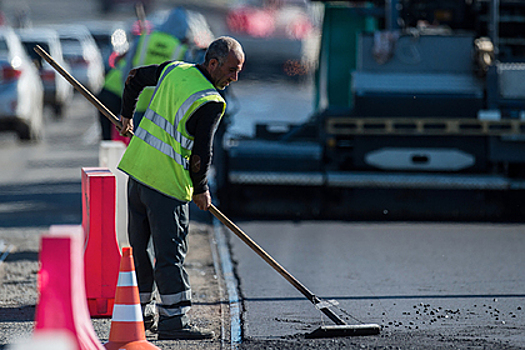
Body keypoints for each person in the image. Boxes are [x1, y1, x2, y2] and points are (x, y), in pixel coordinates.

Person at [117, 36, 244, 340]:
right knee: (169, 254)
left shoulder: (174, 69)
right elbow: (201, 153)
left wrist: (126, 115)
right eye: (230, 70)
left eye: (238, 71)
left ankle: (139, 314)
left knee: (139, 251)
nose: (234, 77)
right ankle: (174, 322)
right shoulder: (211, 102)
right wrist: (200, 188)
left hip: (136, 175)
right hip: (166, 186)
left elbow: (134, 78)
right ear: (212, 64)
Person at [98, 6, 201, 141]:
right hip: (160, 109)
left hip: (137, 104)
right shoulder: (181, 49)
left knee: (134, 145)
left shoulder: (144, 40)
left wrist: (128, 101)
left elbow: (127, 71)